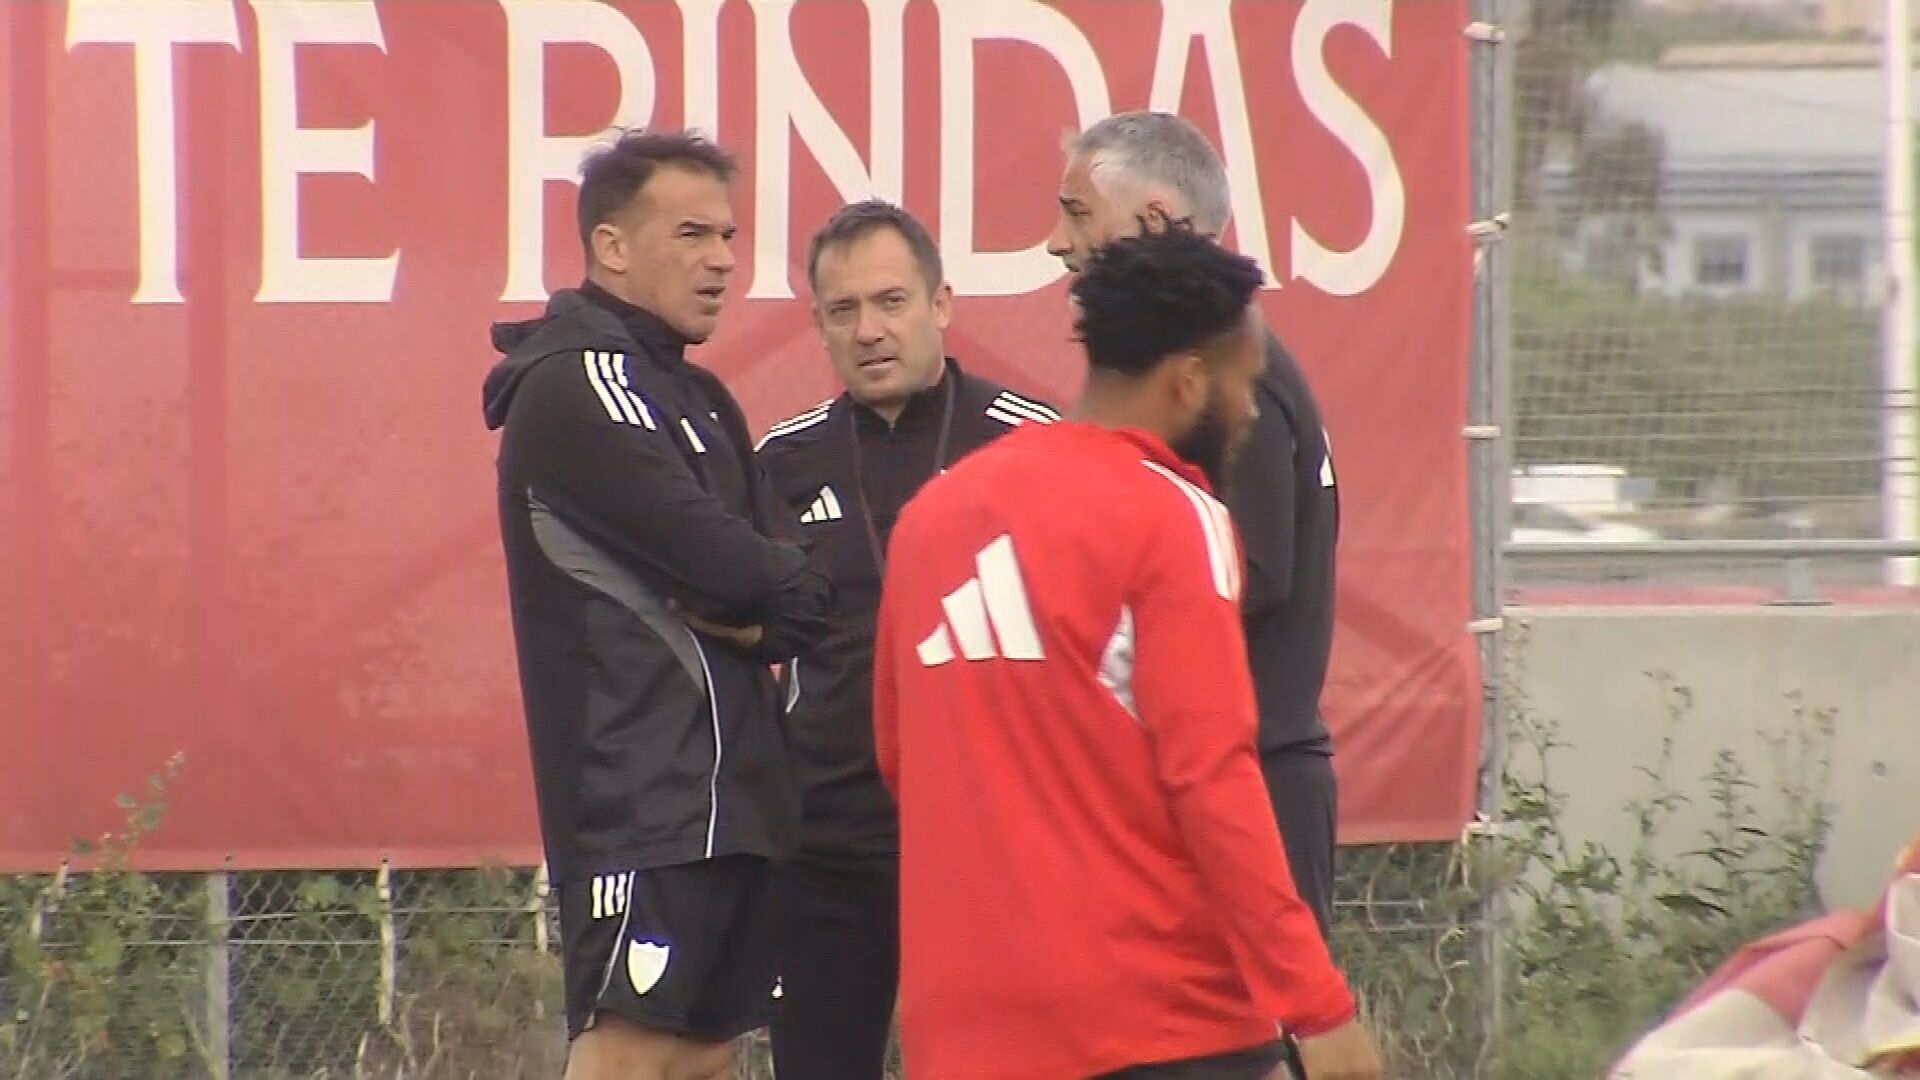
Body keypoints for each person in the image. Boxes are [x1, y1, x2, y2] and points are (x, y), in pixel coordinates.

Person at [872, 227, 1383, 1079]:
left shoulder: (931, 516)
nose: (1250, 412)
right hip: (1158, 1020)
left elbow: (902, 759)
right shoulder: (1173, 514)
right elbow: (1212, 778)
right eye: (1246, 384)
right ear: (1189, 382)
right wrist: (1317, 1005)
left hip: (963, 1028)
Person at [480, 128, 830, 1080]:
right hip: (643, 804)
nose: (721, 259)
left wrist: (759, 597)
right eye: (691, 234)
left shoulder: (703, 398)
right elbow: (735, 566)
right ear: (612, 246)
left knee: (702, 1059)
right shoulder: (577, 384)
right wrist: (756, 593)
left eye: (727, 236)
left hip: (738, 801)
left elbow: (801, 596)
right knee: (628, 1058)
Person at [755, 198, 1061, 1080]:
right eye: (843, 310)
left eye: (891, 301)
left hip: (987, 850)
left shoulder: (1032, 443)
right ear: (819, 326)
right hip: (828, 849)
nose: (869, 330)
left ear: (942, 304)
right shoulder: (781, 459)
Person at [1045, 111, 1345, 940]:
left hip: (1249, 790)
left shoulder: (1228, 378)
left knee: (1264, 1016)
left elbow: (1251, 574)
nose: (1057, 244)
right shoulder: (1200, 368)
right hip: (1209, 784)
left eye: (1077, 214)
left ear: (1153, 223)